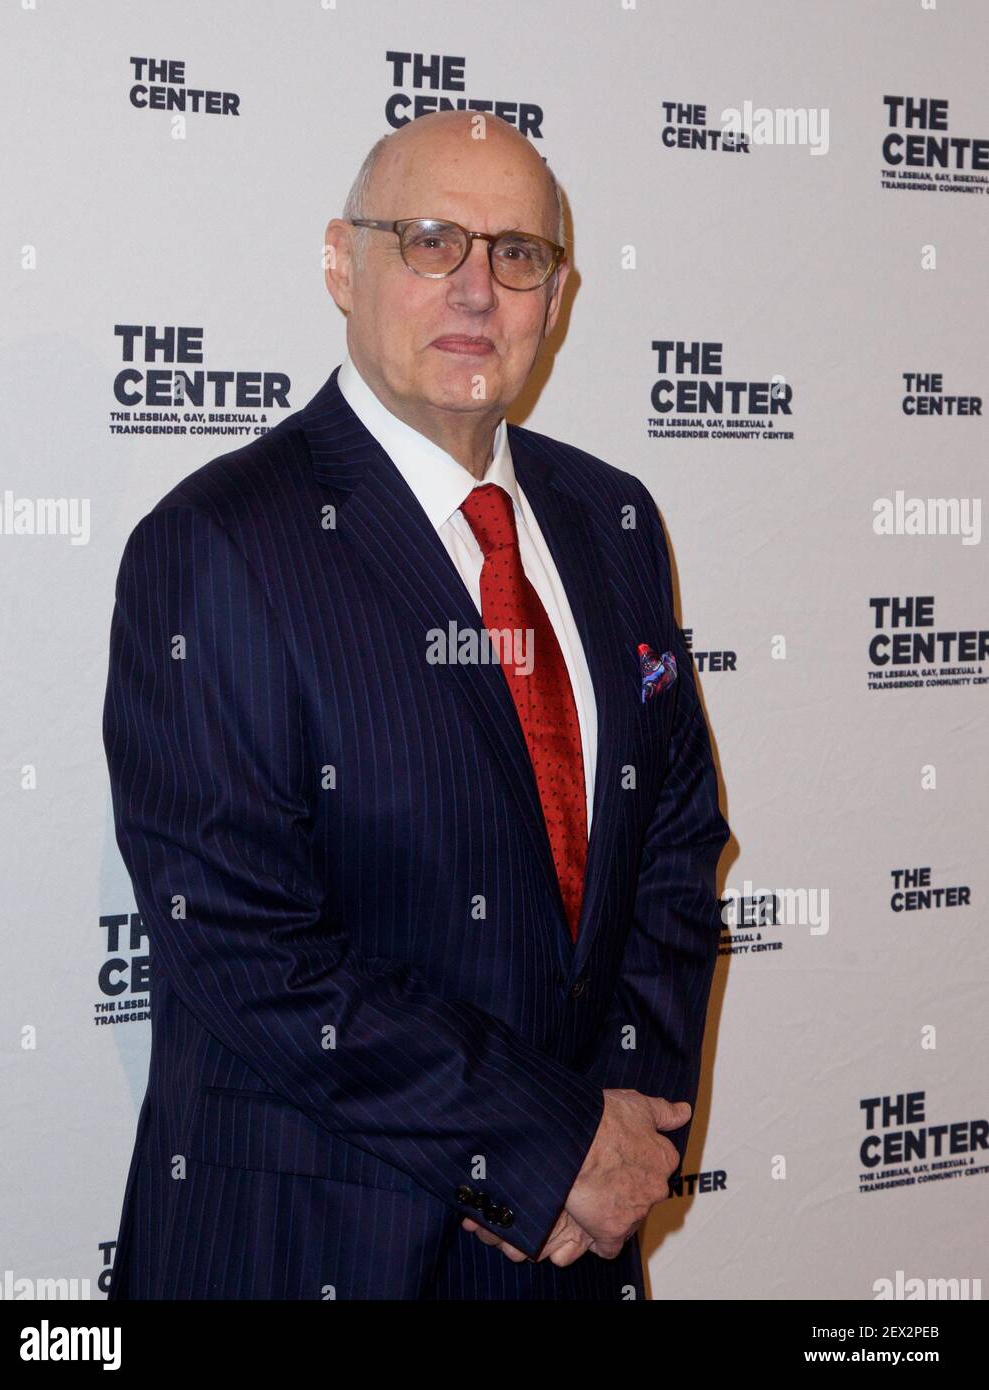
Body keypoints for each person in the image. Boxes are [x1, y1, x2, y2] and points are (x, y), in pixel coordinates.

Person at [102, 109, 730, 1301]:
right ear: (343, 262)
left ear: (559, 292)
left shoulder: (614, 522)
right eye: (432, 240)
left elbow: (673, 848)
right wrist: (542, 1151)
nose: (478, 289)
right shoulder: (217, 544)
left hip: (569, 1250)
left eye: (517, 254)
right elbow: (240, 944)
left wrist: (618, 1145)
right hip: (318, 1247)